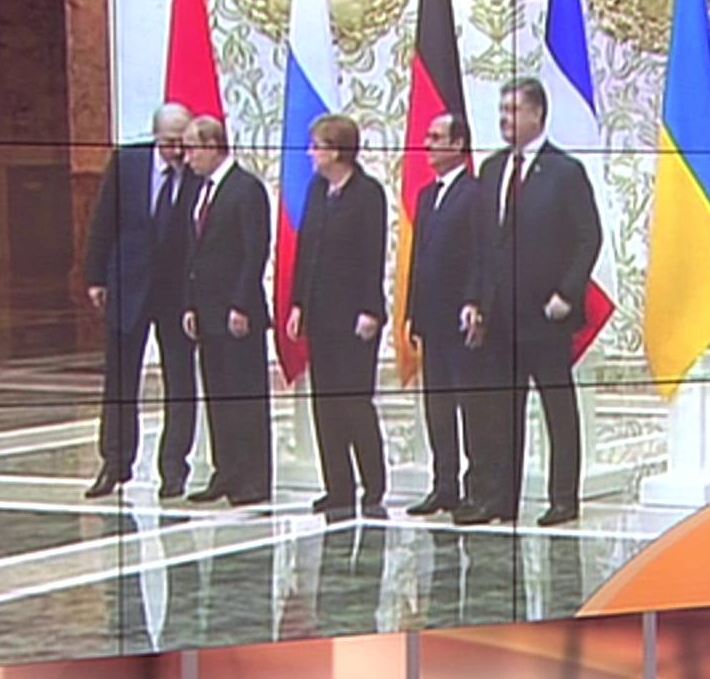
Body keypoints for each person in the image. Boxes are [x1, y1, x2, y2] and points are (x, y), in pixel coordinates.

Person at [457, 77, 601, 528]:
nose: (505, 120)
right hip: (498, 314)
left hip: (546, 313)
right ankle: (500, 500)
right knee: (502, 410)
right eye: (502, 112)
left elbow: (588, 237)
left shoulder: (564, 171)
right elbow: (482, 242)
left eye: (514, 111)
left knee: (556, 406)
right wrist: (474, 299)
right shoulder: (492, 169)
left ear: (538, 114)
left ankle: (563, 498)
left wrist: (567, 293)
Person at [81, 103, 203, 499]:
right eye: (170, 143)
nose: (178, 151)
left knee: (179, 380)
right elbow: (104, 221)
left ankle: (174, 468)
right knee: (120, 379)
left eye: (183, 142)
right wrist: (95, 276)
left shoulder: (197, 171)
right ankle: (115, 462)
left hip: (176, 292)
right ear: (155, 137)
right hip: (128, 284)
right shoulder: (127, 163)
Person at [285, 113, 389, 519]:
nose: (311, 153)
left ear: (338, 150)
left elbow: (371, 254)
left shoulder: (367, 193)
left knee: (354, 401)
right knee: (325, 403)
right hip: (321, 314)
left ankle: (373, 484)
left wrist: (369, 310)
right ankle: (338, 486)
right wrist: (298, 304)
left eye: (317, 146)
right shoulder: (317, 190)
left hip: (355, 316)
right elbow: (306, 251)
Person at [180, 115, 272, 507]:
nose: (186, 158)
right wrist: (190, 304)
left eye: (192, 149)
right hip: (206, 311)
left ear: (213, 145)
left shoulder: (246, 189)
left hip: (238, 314)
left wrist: (241, 303)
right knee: (217, 394)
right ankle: (227, 471)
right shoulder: (201, 191)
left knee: (245, 395)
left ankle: (254, 477)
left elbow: (254, 251)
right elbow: (194, 253)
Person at [403, 112, 486, 517]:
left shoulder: (474, 193)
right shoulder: (426, 196)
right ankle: (444, 484)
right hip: (431, 318)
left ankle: (475, 485)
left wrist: (475, 302)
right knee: (436, 405)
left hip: (461, 319)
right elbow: (420, 259)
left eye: (436, 137)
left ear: (458, 144)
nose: (428, 144)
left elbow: (479, 254)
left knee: (469, 405)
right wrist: (412, 313)